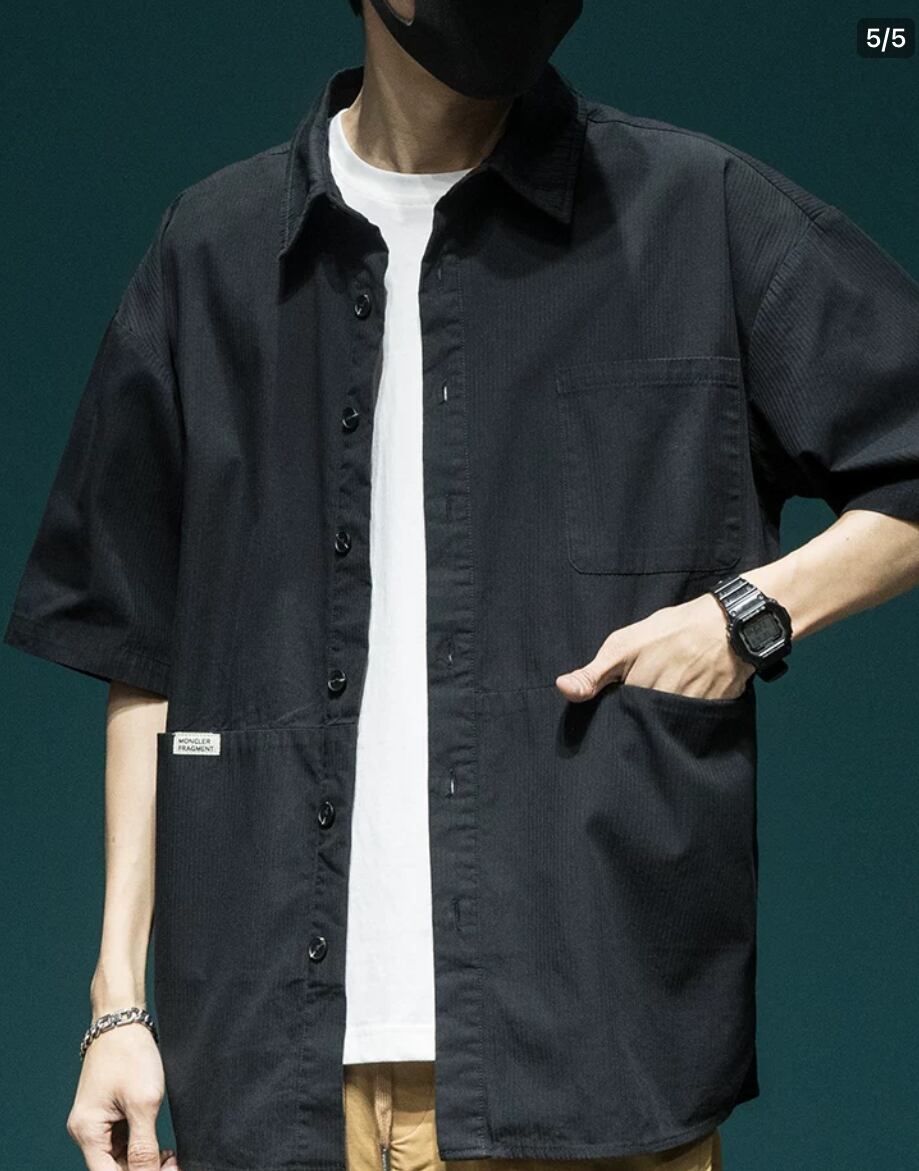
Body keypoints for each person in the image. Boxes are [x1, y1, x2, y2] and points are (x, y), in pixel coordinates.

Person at [5, 1, 919, 1170]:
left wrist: (747, 615)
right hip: (267, 1076)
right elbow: (144, 653)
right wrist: (117, 1004)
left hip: (588, 1065)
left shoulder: (697, 214)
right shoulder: (214, 251)